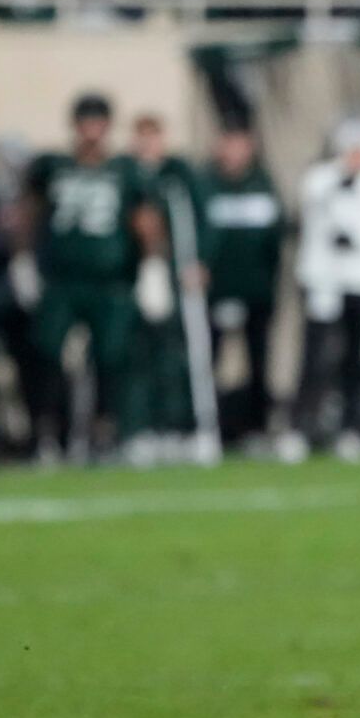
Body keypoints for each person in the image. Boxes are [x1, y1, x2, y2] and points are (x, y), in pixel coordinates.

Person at [17, 93, 167, 462]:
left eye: (98, 122)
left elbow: (146, 221)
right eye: (86, 121)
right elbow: (28, 212)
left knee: (111, 357)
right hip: (62, 280)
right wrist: (22, 260)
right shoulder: (53, 166)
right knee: (46, 353)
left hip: (109, 282)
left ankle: (105, 430)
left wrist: (153, 267)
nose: (92, 130)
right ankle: (47, 432)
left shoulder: (125, 170)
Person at [283, 118, 360, 464]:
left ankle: (352, 429)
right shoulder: (321, 180)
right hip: (323, 281)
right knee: (314, 358)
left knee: (355, 357)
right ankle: (300, 429)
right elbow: (310, 211)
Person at [128, 112, 207, 464]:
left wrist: (199, 262)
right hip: (138, 276)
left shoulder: (178, 175)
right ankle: (142, 428)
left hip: (173, 275)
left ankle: (181, 426)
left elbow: (201, 219)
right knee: (138, 356)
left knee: (175, 355)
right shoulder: (127, 175)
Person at [198, 124, 284, 446]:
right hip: (214, 292)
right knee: (207, 362)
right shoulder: (205, 185)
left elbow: (274, 243)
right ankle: (206, 427)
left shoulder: (263, 184)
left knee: (259, 361)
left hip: (256, 292)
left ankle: (256, 428)